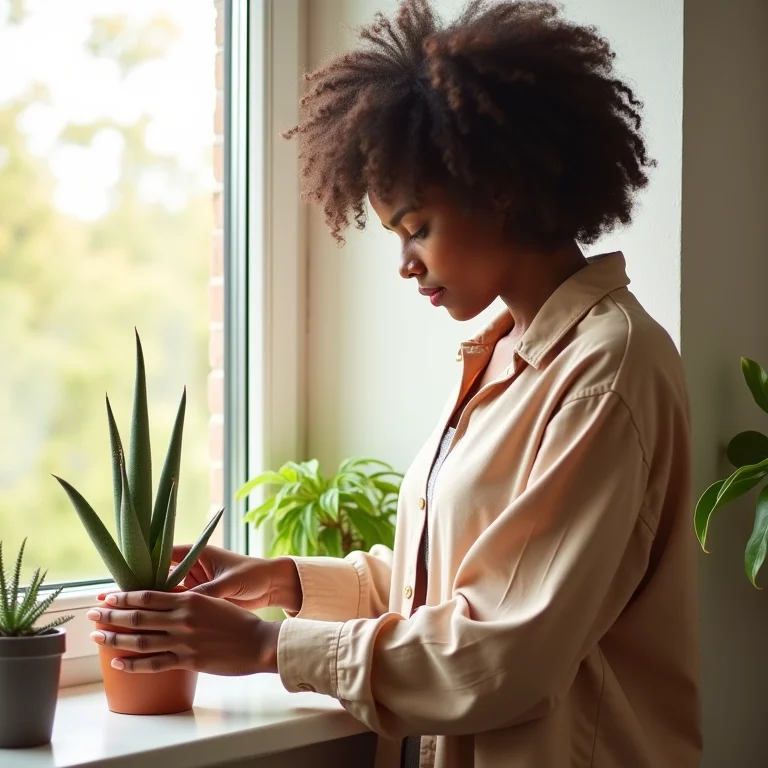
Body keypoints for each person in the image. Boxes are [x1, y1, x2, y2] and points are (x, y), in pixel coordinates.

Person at [87, 1, 702, 766]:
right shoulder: (507, 356)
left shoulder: (606, 371)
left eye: (416, 228)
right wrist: (279, 580)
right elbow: (456, 583)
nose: (405, 263)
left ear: (500, 188)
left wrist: (266, 648)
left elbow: (506, 652)